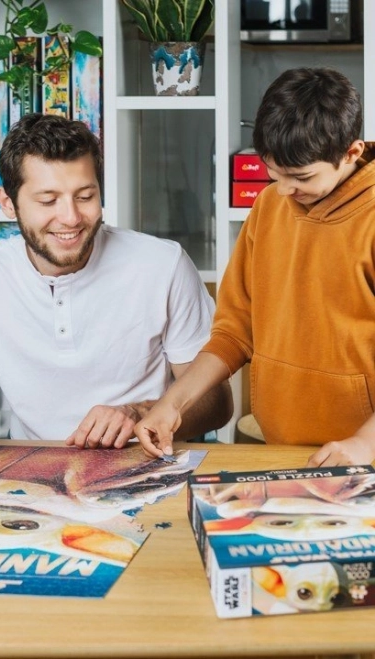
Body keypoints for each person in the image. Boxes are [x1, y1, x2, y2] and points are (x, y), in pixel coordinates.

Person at [0, 113, 232, 448]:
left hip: (143, 459)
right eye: (48, 200)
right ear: (7, 203)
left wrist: (139, 413)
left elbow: (218, 404)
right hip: (33, 465)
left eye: (85, 196)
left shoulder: (163, 264)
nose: (71, 218)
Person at [134, 67, 375, 467]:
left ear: (351, 153)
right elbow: (234, 331)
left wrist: (365, 444)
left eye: (300, 177)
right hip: (280, 449)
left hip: (363, 456)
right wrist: (172, 404)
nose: (285, 190)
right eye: (274, 173)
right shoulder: (269, 205)